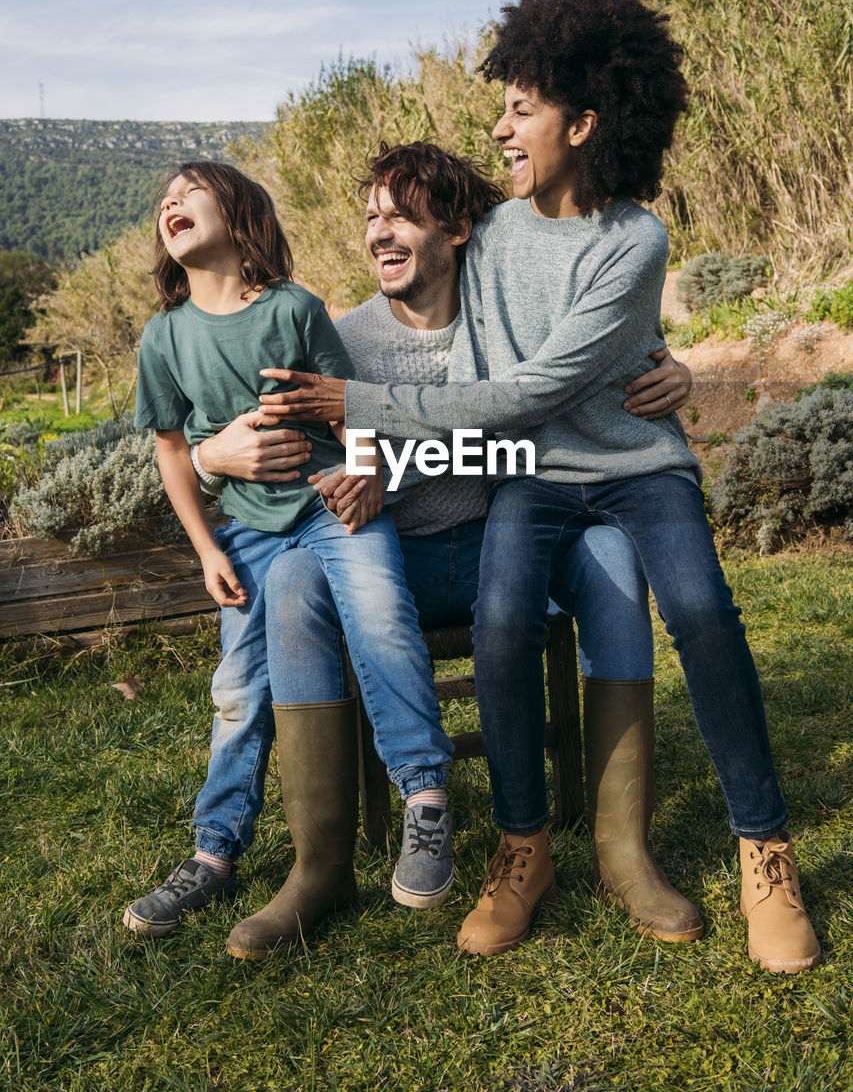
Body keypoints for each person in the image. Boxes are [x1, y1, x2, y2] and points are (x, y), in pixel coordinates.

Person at [266, 0, 821, 974]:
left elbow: (531, 385)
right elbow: (438, 318)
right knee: (503, 610)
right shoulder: (493, 233)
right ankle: (521, 847)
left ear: (586, 120)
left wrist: (363, 411)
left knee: (699, 606)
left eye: (520, 109)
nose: (502, 126)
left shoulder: (635, 239)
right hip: (530, 472)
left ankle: (763, 849)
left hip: (637, 465)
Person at [197, 140, 701, 959]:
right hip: (401, 563)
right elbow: (295, 452)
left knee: (612, 556)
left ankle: (623, 851)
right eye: (370, 217)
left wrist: (676, 371)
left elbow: (574, 388)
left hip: (522, 542)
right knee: (292, 576)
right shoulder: (343, 338)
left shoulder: (508, 314)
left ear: (459, 228)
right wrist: (209, 456)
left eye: (400, 215)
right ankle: (317, 866)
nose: (378, 233)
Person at [124, 160, 456, 960]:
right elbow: (174, 452)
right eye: (163, 201)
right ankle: (214, 849)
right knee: (236, 685)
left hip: (330, 509)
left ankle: (425, 795)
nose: (170, 205)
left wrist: (365, 472)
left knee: (381, 613)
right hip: (242, 534)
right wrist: (205, 548)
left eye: (187, 194)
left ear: (239, 216)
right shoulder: (163, 336)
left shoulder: (295, 309)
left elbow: (355, 412)